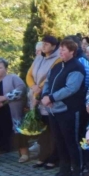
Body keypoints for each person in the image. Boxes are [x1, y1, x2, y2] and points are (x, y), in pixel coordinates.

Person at [41, 38, 87, 176]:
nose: (60, 52)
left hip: (69, 111)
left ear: (72, 52)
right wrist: (44, 95)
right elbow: (48, 82)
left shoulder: (76, 67)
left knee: (71, 141)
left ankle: (78, 171)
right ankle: (64, 169)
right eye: (60, 49)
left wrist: (52, 97)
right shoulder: (57, 66)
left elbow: (71, 88)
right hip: (54, 111)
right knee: (59, 141)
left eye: (64, 50)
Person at [27, 36, 62, 169]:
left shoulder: (58, 59)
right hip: (35, 97)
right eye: (43, 44)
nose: (44, 46)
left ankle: (53, 158)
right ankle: (43, 156)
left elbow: (49, 78)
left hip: (46, 97)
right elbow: (29, 74)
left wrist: (38, 89)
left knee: (51, 131)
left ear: (54, 46)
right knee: (42, 131)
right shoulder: (39, 57)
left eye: (47, 44)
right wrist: (33, 87)